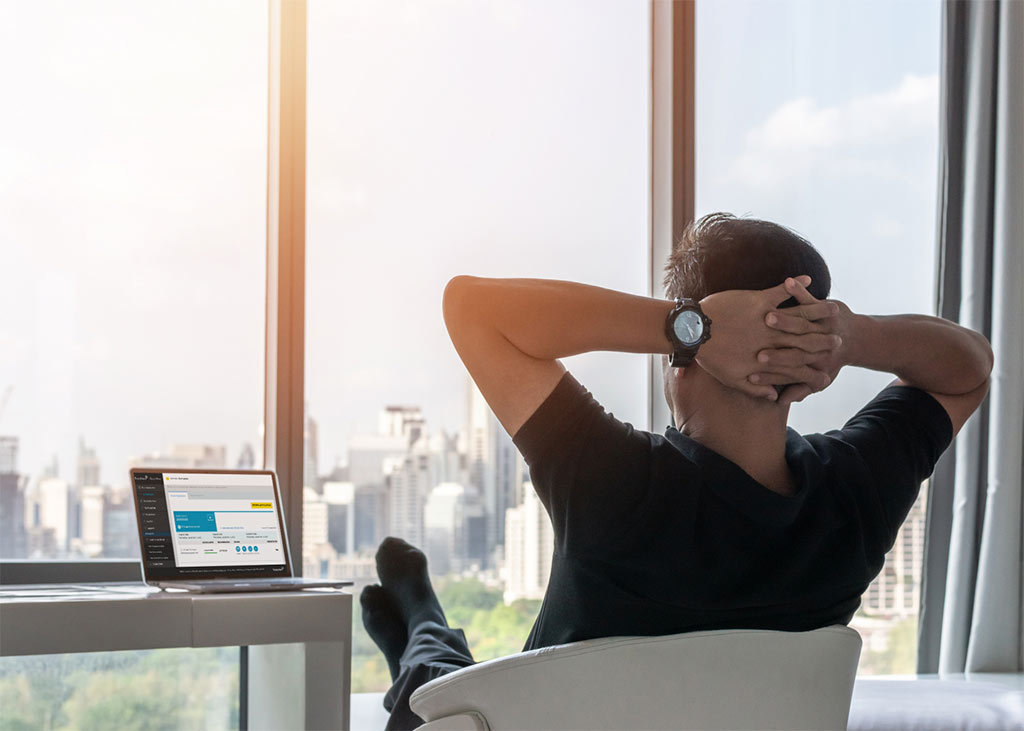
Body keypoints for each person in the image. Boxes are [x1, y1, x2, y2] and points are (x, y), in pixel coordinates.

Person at [360, 213, 993, 730]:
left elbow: (470, 308)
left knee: (436, 690)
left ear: (682, 363)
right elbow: (972, 367)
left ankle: (423, 627)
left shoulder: (615, 480)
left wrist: (687, 328)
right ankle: (421, 623)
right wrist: (846, 338)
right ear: (802, 380)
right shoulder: (854, 492)